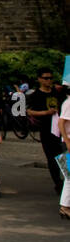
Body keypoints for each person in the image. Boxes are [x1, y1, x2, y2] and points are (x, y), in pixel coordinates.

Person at [26, 68, 66, 195]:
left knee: (64, 155)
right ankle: (58, 183)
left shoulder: (57, 92)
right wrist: (45, 113)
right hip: (46, 129)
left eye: (50, 78)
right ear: (39, 79)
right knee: (52, 158)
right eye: (46, 78)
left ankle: (67, 180)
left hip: (61, 129)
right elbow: (28, 111)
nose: (49, 80)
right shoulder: (35, 95)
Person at [58, 92, 70, 221]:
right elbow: (61, 123)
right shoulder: (69, 103)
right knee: (69, 176)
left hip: (67, 141)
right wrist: (67, 141)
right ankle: (65, 207)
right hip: (68, 142)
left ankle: (65, 206)